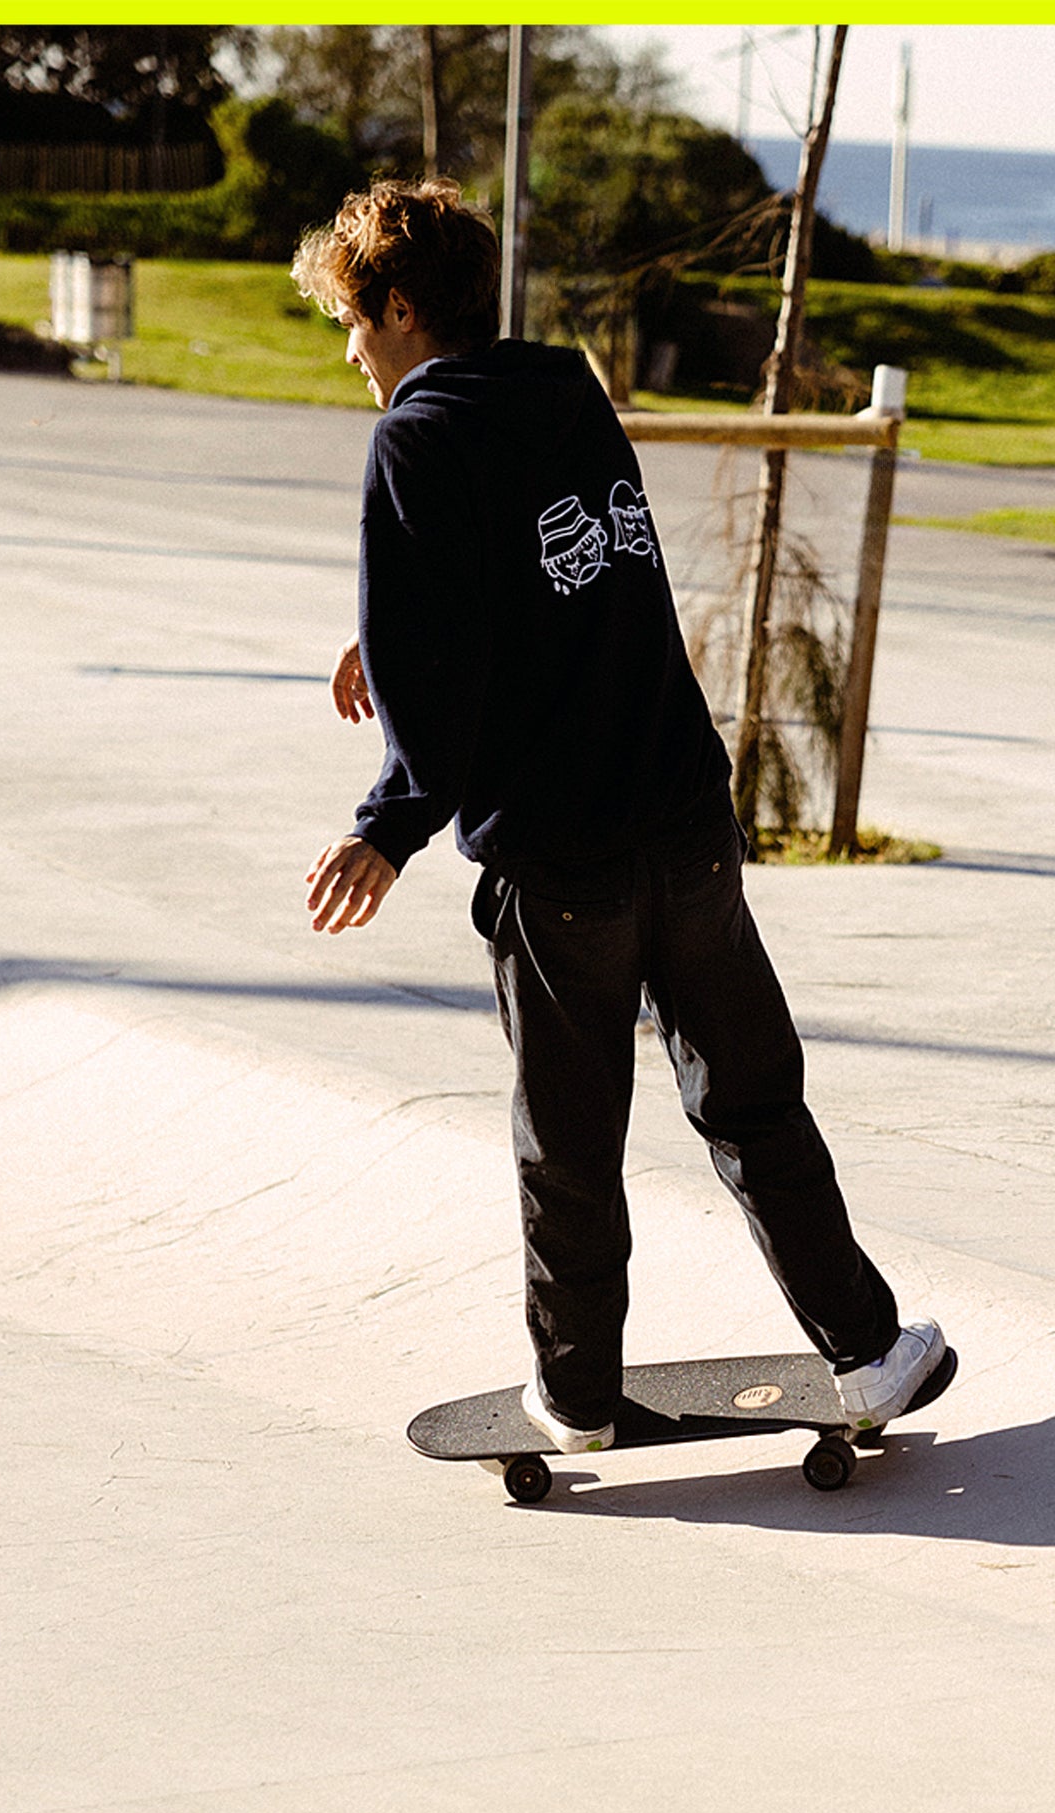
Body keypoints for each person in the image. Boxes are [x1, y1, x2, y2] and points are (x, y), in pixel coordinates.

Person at [290, 180, 947, 1452]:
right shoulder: (566, 388)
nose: (352, 352)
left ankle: (577, 1395)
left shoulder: (415, 438)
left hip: (564, 861)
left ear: (403, 307)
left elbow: (455, 669)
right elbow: (559, 570)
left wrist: (386, 827)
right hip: (686, 824)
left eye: (352, 322)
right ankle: (865, 1353)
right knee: (755, 1105)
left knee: (570, 1150)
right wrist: (387, 631)